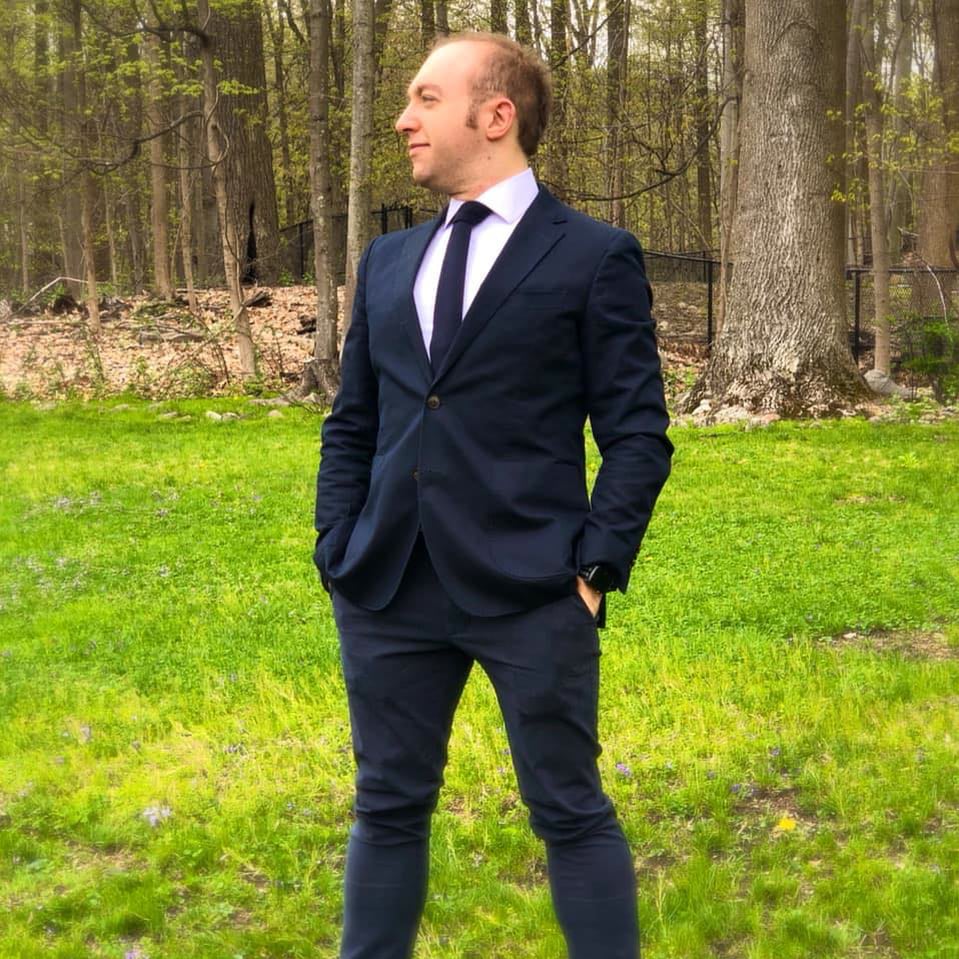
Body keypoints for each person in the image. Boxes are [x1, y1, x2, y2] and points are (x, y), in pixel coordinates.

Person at [314, 31, 672, 959]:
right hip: (387, 584)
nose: (404, 119)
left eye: (426, 99)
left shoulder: (591, 255)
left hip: (533, 588)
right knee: (386, 804)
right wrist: (336, 545)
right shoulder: (387, 260)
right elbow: (354, 421)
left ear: (496, 115)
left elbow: (636, 434)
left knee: (568, 808)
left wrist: (593, 569)